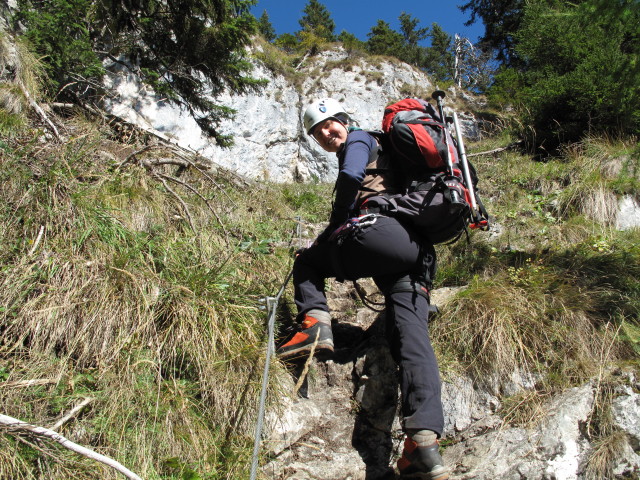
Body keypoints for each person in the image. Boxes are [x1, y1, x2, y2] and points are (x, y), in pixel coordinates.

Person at [276, 98, 449, 480]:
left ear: (344, 120)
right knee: (414, 339)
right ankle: (424, 442)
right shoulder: (391, 150)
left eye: (329, 123)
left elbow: (353, 177)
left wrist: (331, 229)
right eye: (316, 130)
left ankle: (314, 324)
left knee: (306, 261)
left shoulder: (359, 139)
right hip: (418, 251)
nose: (325, 132)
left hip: (381, 231)